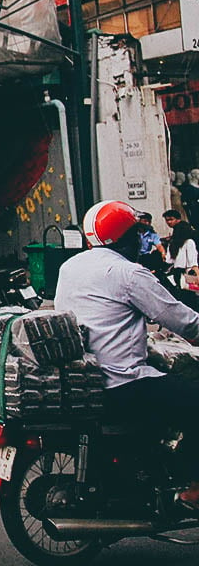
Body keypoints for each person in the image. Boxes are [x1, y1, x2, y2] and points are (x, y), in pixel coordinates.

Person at [55, 200, 199, 512]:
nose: (141, 240)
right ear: (125, 238)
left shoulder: (71, 267)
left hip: (86, 378)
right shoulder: (128, 272)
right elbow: (180, 319)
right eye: (137, 233)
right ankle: (194, 489)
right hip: (124, 381)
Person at [167, 221, 199, 291]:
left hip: (175, 276)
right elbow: (193, 263)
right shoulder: (189, 242)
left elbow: (168, 261)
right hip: (187, 276)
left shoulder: (171, 244)